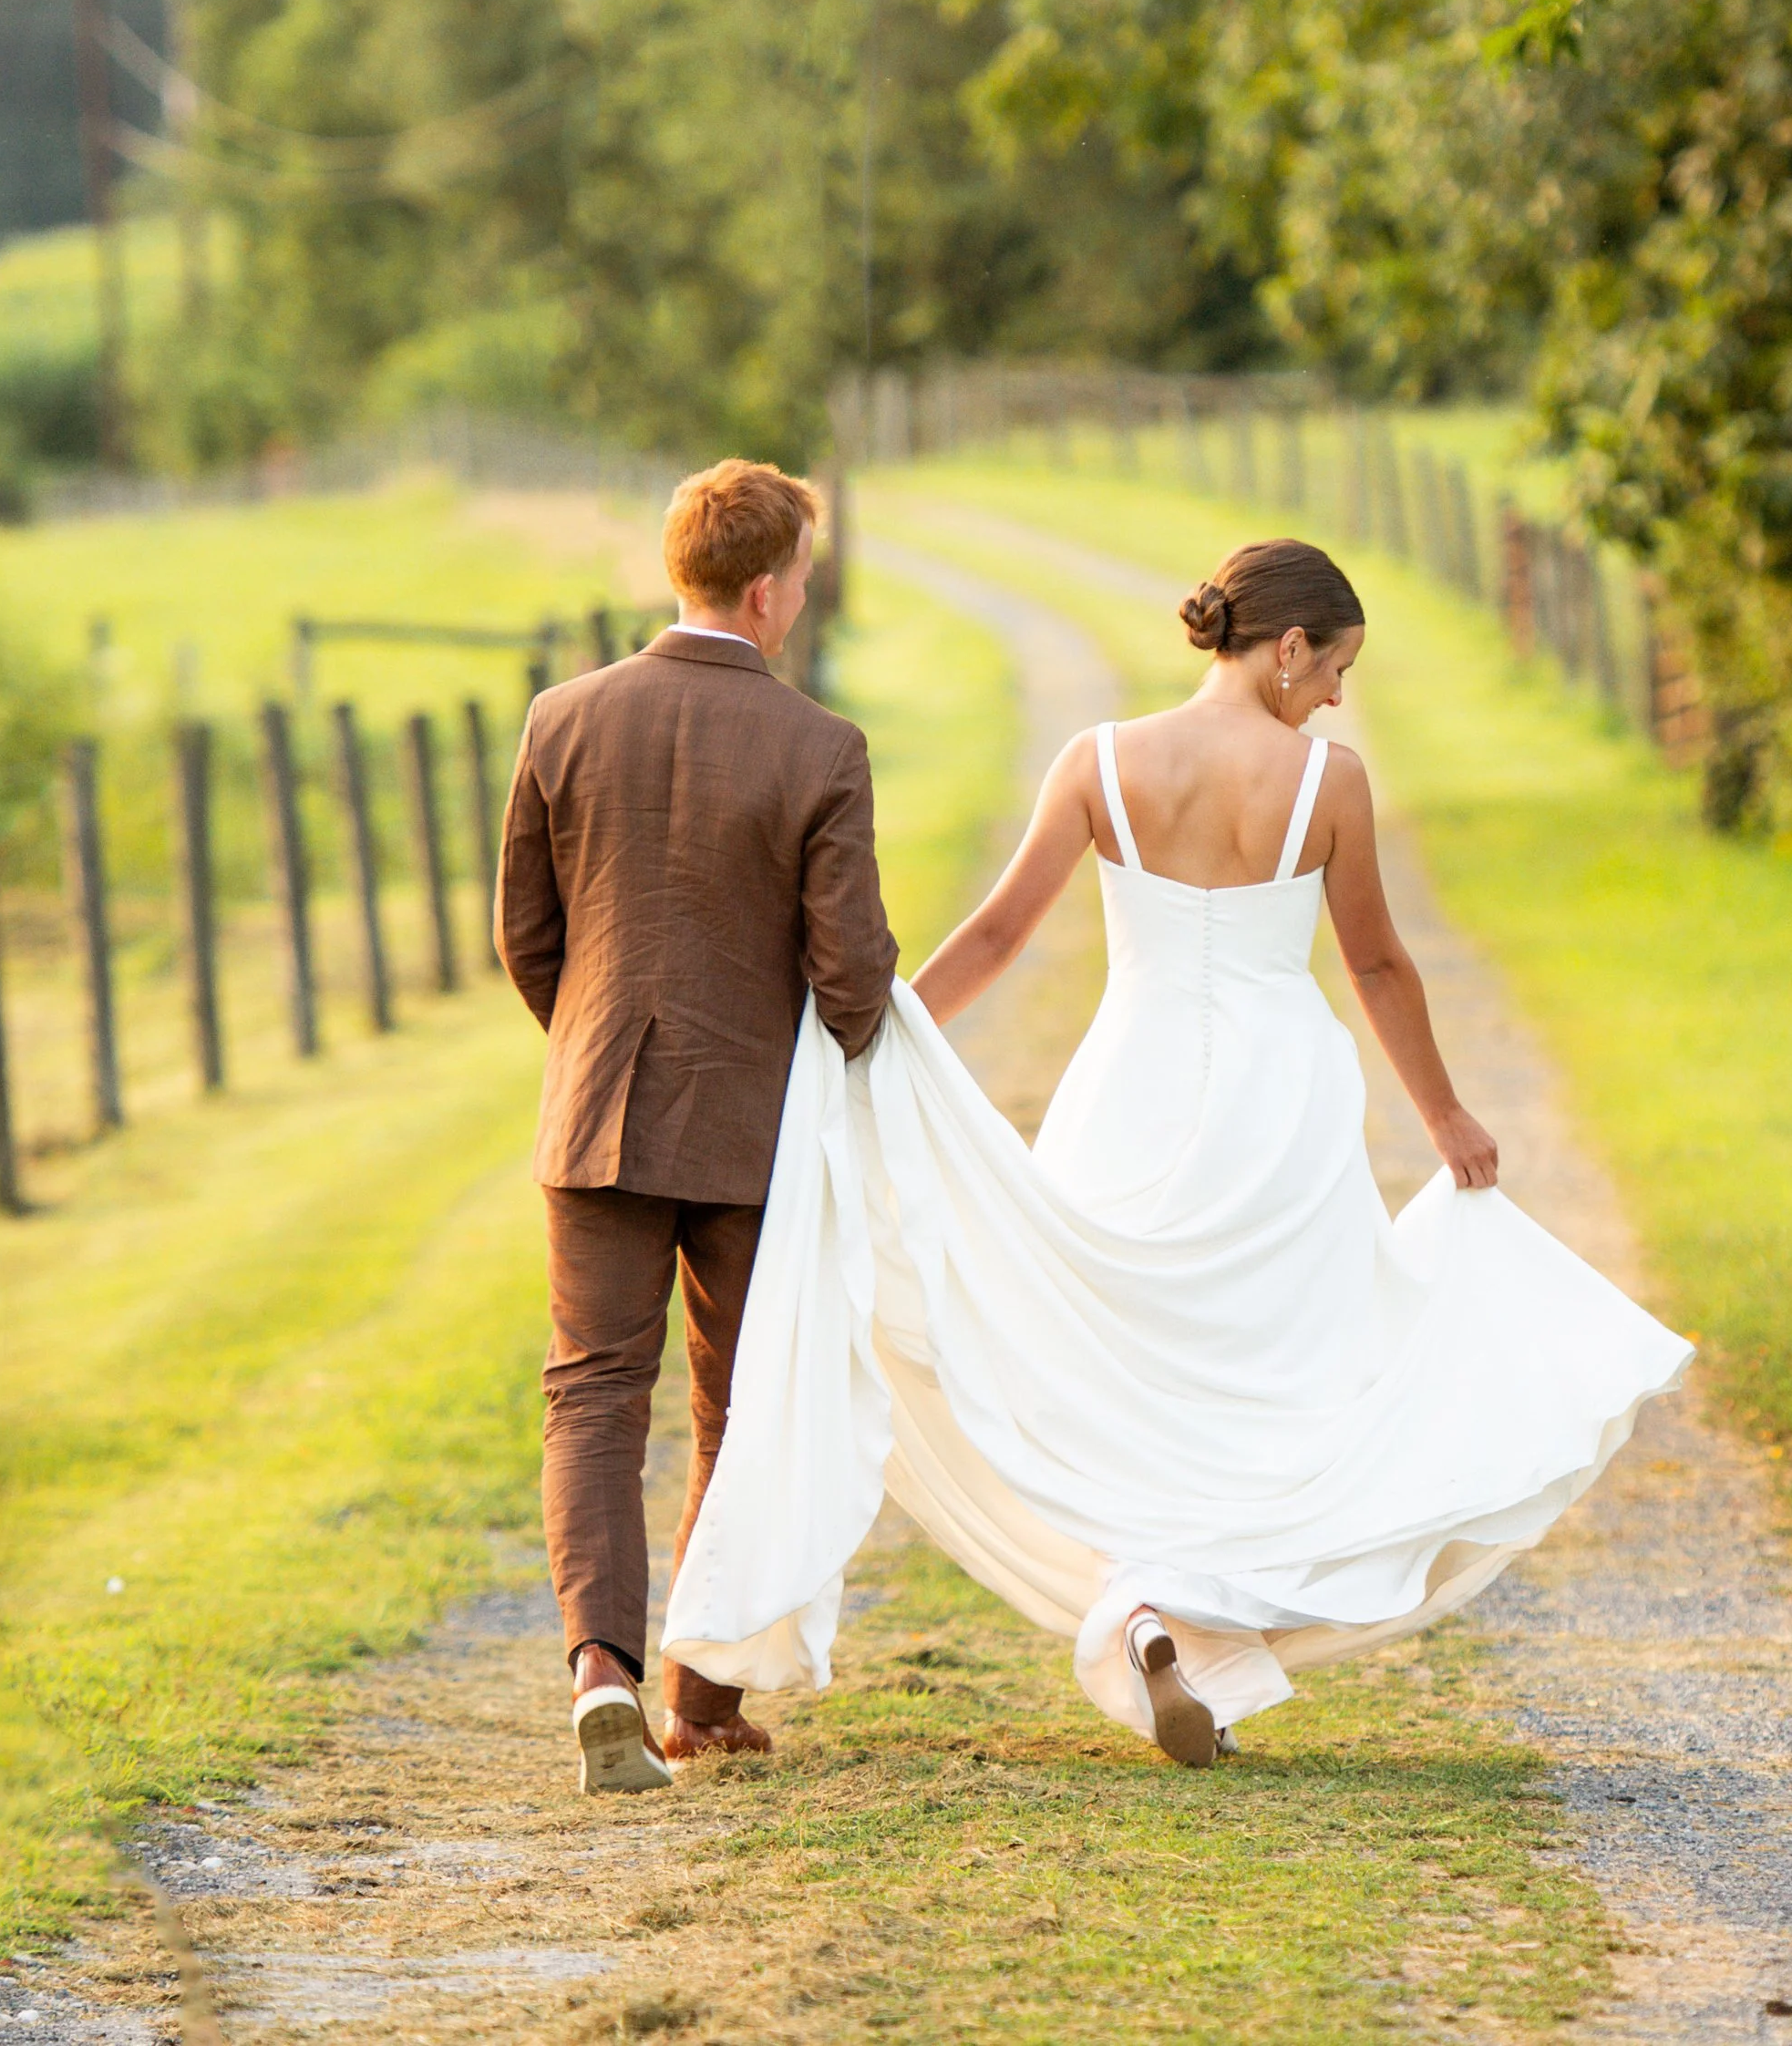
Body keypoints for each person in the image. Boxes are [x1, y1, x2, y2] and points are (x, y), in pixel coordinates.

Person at [659, 535, 1693, 1770]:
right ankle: (1177, 1621)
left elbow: (998, 934)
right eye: (1335, 668)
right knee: (1267, 1381)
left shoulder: (1100, 760)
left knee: (1127, 1373)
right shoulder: (1330, 783)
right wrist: (1446, 1117)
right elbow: (1375, 964)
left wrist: (876, 1040)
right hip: (1281, 1103)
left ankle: (1148, 1609)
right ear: (1288, 646)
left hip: (1129, 1088)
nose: (1337, 698)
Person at [497, 458, 897, 1793]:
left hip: (593, 1113)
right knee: (738, 1402)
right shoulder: (822, 748)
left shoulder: (561, 717)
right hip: (752, 1132)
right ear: (770, 592)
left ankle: (597, 1674)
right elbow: (853, 982)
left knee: (592, 1393)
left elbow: (527, 939)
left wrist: (597, 1046)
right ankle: (698, 1704)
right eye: (804, 580)